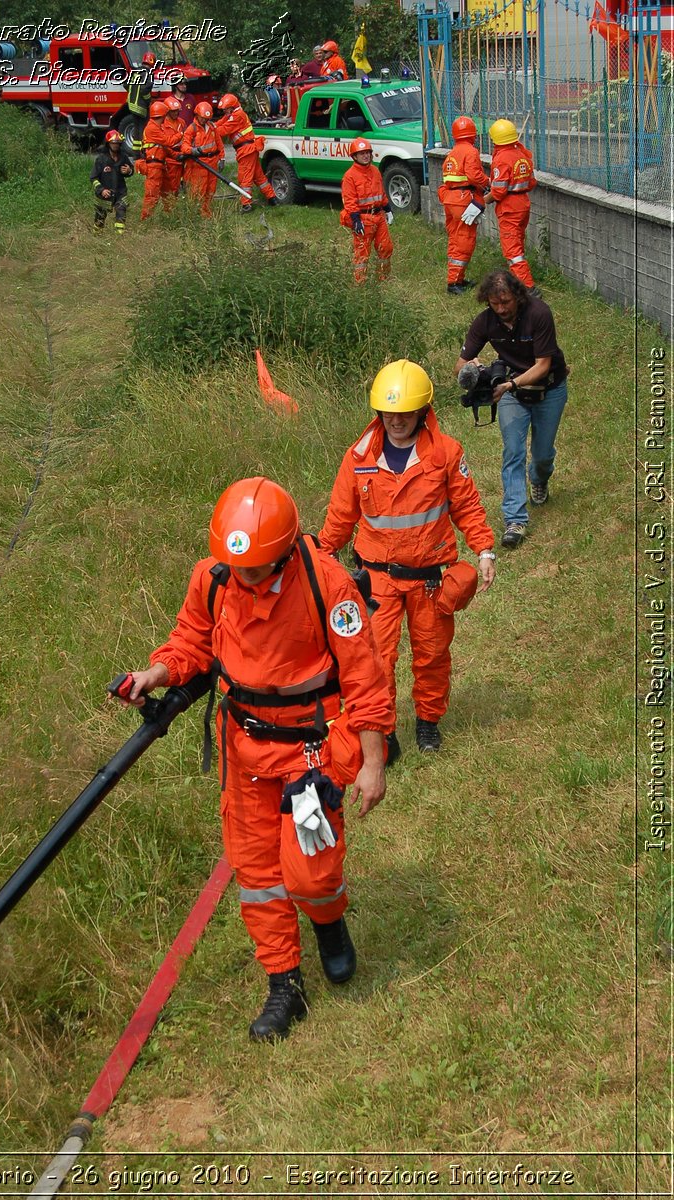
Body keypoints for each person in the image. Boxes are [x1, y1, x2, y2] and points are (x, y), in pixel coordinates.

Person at [118, 478, 393, 1042]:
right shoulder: (213, 578)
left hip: (310, 751)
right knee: (260, 875)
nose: (245, 579)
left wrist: (372, 761)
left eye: (256, 568)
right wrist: (158, 673)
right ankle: (283, 984)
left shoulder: (329, 585)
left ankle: (328, 922)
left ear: (285, 551)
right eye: (236, 567)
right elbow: (191, 641)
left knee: (310, 873)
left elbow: (365, 676)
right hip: (244, 751)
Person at [319, 361, 496, 759]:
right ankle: (383, 732)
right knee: (375, 659)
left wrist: (484, 549)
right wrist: (322, 556)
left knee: (432, 653)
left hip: (429, 579)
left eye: (404, 413)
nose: (395, 421)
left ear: (422, 411)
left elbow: (466, 505)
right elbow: (340, 516)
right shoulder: (359, 457)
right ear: (378, 413)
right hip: (375, 580)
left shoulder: (446, 454)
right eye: (388, 413)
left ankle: (428, 723)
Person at [454, 270, 569, 549]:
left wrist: (511, 384)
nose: (501, 309)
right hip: (511, 395)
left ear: (517, 296)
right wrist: (472, 368)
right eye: (495, 303)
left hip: (549, 389)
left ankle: (539, 478)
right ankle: (515, 520)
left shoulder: (539, 313)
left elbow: (542, 365)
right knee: (513, 451)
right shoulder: (485, 322)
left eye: (505, 302)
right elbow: (460, 364)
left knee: (542, 454)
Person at [437, 116, 489, 295]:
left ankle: (457, 279)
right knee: (464, 240)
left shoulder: (452, 153)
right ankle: (453, 283)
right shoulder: (471, 151)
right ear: (473, 134)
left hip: (450, 198)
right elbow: (474, 175)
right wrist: (487, 182)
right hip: (463, 198)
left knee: (454, 238)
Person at [487, 118, 537, 290]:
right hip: (523, 204)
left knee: (513, 251)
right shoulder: (522, 154)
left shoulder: (501, 159)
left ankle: (528, 288)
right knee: (518, 245)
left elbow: (499, 191)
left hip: (509, 207)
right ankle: (516, 282)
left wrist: (483, 200)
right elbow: (531, 183)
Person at [340, 138, 393, 285]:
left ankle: (383, 279)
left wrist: (388, 209)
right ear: (354, 156)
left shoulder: (375, 170)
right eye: (361, 153)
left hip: (379, 216)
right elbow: (349, 201)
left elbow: (381, 193)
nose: (365, 156)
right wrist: (356, 221)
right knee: (362, 253)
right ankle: (360, 283)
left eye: (367, 153)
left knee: (386, 247)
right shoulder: (349, 176)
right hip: (363, 219)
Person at [214, 94, 277, 213]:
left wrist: (208, 131)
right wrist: (211, 126)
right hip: (248, 150)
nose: (225, 112)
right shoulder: (233, 114)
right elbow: (221, 122)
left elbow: (222, 130)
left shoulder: (237, 116)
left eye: (226, 109)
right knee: (259, 178)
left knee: (245, 179)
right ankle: (272, 198)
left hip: (246, 151)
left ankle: (246, 204)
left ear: (232, 107)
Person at [139, 99, 182, 220]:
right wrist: (180, 134)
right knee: (152, 195)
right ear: (162, 115)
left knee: (168, 192)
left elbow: (163, 148)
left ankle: (170, 216)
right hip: (154, 166)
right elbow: (168, 142)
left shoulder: (157, 127)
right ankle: (145, 220)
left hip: (161, 165)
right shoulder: (152, 128)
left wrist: (176, 155)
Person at [182, 101, 224, 217]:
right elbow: (184, 146)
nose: (204, 120)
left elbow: (219, 143)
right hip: (198, 165)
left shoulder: (212, 127)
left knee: (211, 190)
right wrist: (192, 151)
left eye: (207, 118)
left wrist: (222, 158)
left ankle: (206, 213)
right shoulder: (192, 129)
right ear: (197, 115)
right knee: (197, 191)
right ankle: (195, 214)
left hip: (212, 163)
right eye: (202, 118)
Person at [90, 129, 134, 234]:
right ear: (108, 143)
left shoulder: (123, 157)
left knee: (121, 212)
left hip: (120, 192)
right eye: (113, 143)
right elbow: (93, 178)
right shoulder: (101, 159)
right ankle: (96, 236)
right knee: (100, 219)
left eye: (118, 143)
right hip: (105, 194)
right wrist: (101, 190)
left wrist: (129, 171)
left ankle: (120, 237)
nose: (116, 145)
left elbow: (130, 170)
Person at [126, 50, 156, 157]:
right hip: (141, 106)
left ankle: (136, 153)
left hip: (132, 104)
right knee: (143, 129)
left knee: (136, 128)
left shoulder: (135, 71)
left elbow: (126, 84)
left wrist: (133, 92)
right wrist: (149, 100)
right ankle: (143, 153)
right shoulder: (148, 74)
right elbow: (144, 91)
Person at [162, 95, 186, 210]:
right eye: (173, 111)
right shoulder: (163, 125)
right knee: (171, 186)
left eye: (177, 111)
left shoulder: (181, 122)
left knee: (178, 185)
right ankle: (169, 209)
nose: (176, 113)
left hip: (182, 156)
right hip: (171, 159)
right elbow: (167, 144)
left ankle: (173, 207)